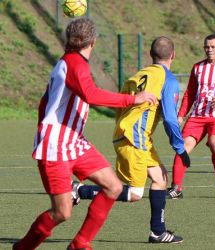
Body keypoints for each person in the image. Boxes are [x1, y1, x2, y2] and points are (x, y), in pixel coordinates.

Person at [13, 18, 157, 250]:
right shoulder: (74, 64)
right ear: (93, 41)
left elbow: (45, 102)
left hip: (74, 143)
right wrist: (133, 99)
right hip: (56, 147)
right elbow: (91, 95)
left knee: (114, 187)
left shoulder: (70, 62)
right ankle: (22, 248)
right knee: (62, 212)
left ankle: (80, 244)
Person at [71, 36, 189, 243]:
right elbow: (171, 119)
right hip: (135, 138)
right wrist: (180, 148)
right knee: (134, 194)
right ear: (173, 55)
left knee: (161, 179)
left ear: (151, 55)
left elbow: (122, 102)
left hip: (130, 135)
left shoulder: (141, 74)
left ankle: (158, 232)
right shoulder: (168, 80)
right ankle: (80, 190)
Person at [167, 33, 215, 199]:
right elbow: (190, 94)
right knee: (183, 148)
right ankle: (176, 188)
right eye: (206, 47)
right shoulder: (197, 68)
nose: (209, 50)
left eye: (213, 47)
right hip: (197, 117)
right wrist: (181, 115)